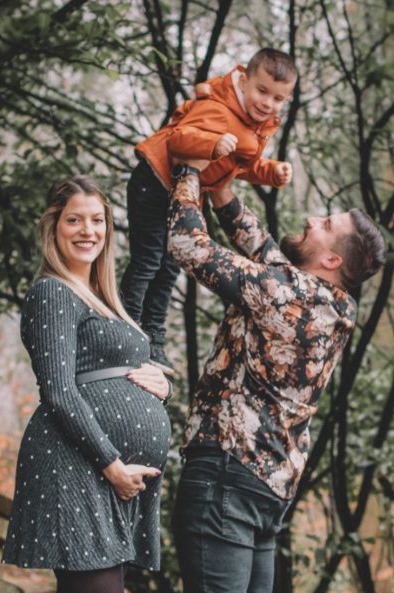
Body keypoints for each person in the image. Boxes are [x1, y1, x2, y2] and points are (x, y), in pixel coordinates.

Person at [166, 161, 386, 593]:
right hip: (269, 481)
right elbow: (261, 246)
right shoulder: (328, 301)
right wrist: (222, 191)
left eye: (325, 223)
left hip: (227, 467)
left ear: (333, 258)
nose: (312, 218)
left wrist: (186, 168)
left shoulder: (286, 292)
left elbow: (187, 244)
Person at [1, 176, 173, 593]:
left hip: (107, 472)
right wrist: (111, 463)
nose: (88, 231)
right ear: (54, 226)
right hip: (75, 466)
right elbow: (58, 391)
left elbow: (142, 356)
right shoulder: (52, 293)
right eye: (75, 219)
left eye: (97, 221)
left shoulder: (102, 297)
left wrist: (163, 379)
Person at [119, 47, 297, 374]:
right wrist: (211, 145)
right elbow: (179, 140)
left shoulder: (254, 125)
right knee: (148, 260)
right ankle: (125, 329)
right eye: (262, 91)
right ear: (243, 82)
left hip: (181, 194)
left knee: (170, 267)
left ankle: (152, 339)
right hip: (156, 181)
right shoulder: (219, 110)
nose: (267, 103)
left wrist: (271, 173)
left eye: (278, 98)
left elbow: (242, 164)